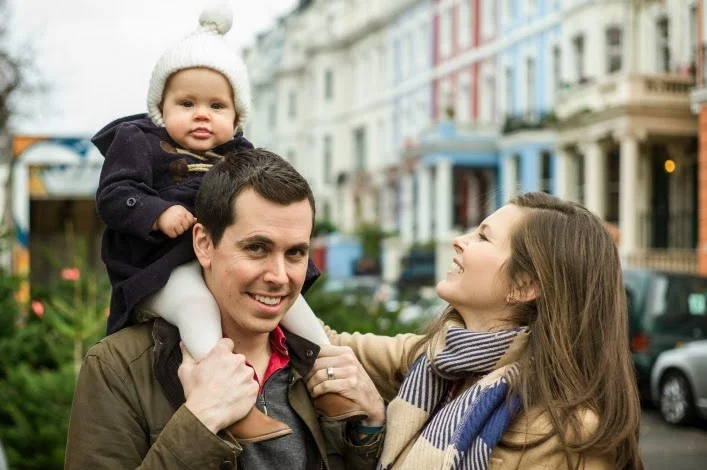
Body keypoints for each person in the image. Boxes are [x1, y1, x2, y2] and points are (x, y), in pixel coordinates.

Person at [93, 4, 358, 439]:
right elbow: (113, 195)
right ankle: (233, 403)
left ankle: (328, 377)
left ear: (236, 118)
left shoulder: (239, 155)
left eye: (217, 105)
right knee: (197, 306)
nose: (202, 114)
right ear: (160, 108)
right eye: (187, 103)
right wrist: (156, 212)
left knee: (295, 306)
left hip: (214, 261)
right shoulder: (139, 142)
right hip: (157, 267)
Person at [65, 149, 385, 469]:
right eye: (257, 248)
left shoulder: (321, 364)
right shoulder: (117, 368)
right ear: (204, 244)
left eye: (295, 253)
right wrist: (200, 422)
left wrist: (370, 424)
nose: (279, 276)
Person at [307, 192, 643, 469]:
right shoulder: (433, 359)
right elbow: (320, 343)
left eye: (483, 236)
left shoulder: (572, 435)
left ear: (524, 286)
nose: (458, 241)